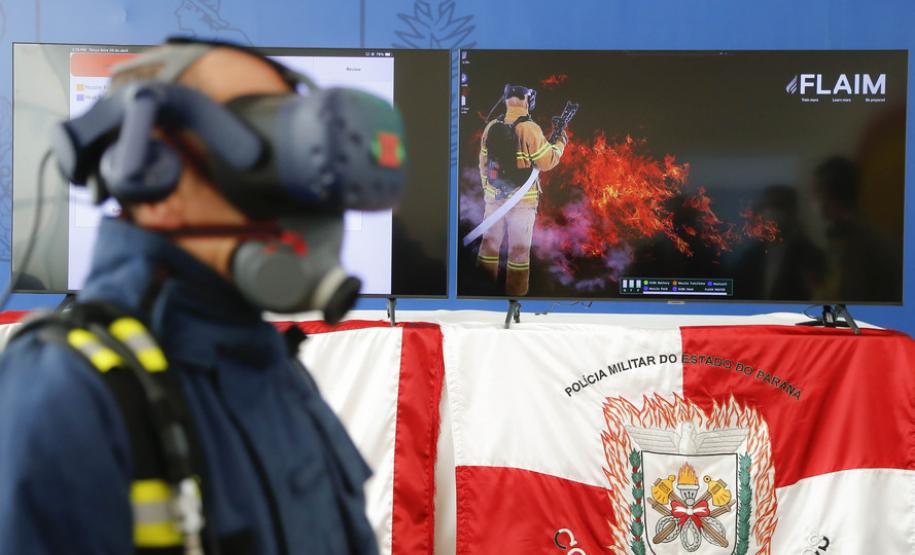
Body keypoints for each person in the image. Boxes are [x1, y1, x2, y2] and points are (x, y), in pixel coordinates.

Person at [0, 39, 399, 554]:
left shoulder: (273, 367)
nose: (305, 190)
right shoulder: (65, 390)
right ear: (154, 174)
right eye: (270, 144)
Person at [477, 84, 566, 297]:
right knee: (518, 251)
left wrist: (488, 192)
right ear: (527, 101)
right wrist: (561, 143)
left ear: (506, 100)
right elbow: (547, 161)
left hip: (494, 199)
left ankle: (481, 290)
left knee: (489, 246)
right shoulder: (530, 129)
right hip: (523, 201)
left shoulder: (491, 127)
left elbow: (483, 163)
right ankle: (515, 297)